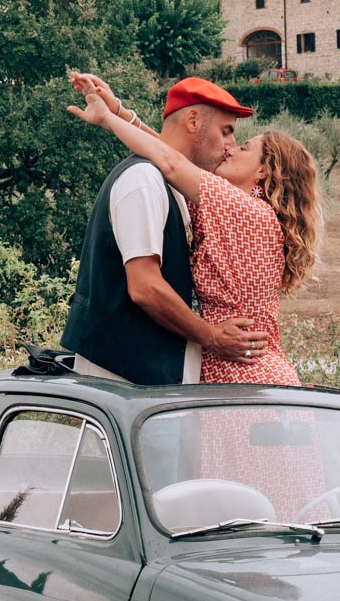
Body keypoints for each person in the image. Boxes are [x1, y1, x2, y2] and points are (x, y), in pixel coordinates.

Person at [68, 75, 322, 386]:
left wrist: (110, 119)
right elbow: (169, 154)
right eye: (228, 135)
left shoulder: (249, 212)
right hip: (236, 372)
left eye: (242, 146)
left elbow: (171, 163)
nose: (230, 150)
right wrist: (120, 112)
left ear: (262, 171)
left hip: (242, 373)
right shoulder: (228, 209)